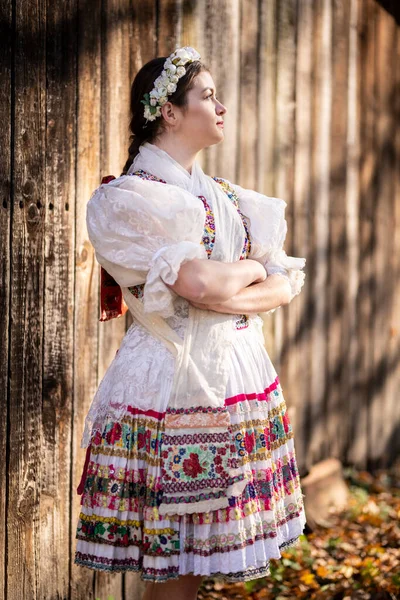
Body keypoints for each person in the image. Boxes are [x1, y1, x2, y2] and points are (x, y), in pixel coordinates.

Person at [74, 45, 307, 600]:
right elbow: (199, 285)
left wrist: (235, 284)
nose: (221, 106)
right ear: (170, 113)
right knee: (175, 566)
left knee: (197, 565)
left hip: (237, 381)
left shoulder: (226, 197)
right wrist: (248, 271)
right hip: (170, 389)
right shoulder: (131, 198)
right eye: (207, 95)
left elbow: (284, 282)